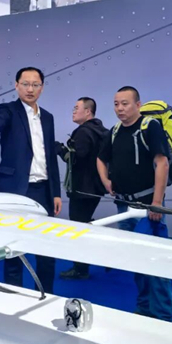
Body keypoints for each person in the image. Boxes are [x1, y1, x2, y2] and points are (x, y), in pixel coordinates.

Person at [0, 67, 62, 293]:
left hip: (43, 191)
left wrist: (56, 192)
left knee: (46, 249)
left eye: (35, 84)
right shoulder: (9, 110)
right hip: (15, 190)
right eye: (25, 84)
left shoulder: (48, 118)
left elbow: (50, 157)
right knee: (13, 249)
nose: (30, 89)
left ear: (42, 88)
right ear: (16, 86)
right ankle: (14, 295)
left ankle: (46, 293)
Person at [97, 86, 172, 321]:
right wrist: (106, 182)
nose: (119, 108)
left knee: (156, 262)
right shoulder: (114, 131)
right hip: (124, 207)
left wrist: (156, 202)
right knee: (137, 261)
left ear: (138, 105)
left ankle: (162, 315)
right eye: (116, 104)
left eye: (125, 103)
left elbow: (162, 163)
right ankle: (144, 307)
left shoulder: (150, 127)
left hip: (147, 207)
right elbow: (101, 158)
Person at [56, 97, 108, 280]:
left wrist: (59, 149)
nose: (73, 111)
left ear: (87, 111)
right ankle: (100, 258)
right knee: (86, 225)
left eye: (76, 108)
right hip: (95, 188)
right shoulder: (101, 131)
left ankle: (80, 269)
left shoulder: (83, 132)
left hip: (82, 189)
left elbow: (77, 158)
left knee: (78, 228)